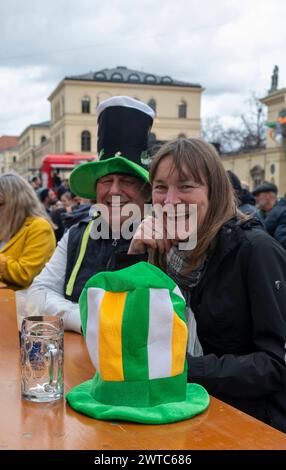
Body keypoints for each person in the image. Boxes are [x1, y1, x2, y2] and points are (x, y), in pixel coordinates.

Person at [129, 137, 286, 433]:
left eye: (186, 186)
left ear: (214, 193)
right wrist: (134, 255)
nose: (170, 200)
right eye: (161, 187)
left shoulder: (255, 251)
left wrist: (185, 367)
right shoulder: (161, 248)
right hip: (178, 409)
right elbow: (127, 337)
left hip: (248, 424)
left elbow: (277, 364)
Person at [30, 96, 154, 333]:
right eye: (107, 180)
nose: (114, 191)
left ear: (147, 191)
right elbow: (39, 293)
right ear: (96, 190)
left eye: (127, 180)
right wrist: (85, 317)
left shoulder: (164, 238)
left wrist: (66, 312)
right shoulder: (76, 234)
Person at [0, 173, 56, 288]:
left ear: (16, 203)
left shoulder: (39, 227)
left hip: (23, 303)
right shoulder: (5, 225)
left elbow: (24, 275)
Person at [253, 181, 286, 249]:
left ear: (269, 195)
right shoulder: (258, 214)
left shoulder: (283, 213)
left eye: (258, 195)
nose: (256, 198)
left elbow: (282, 242)